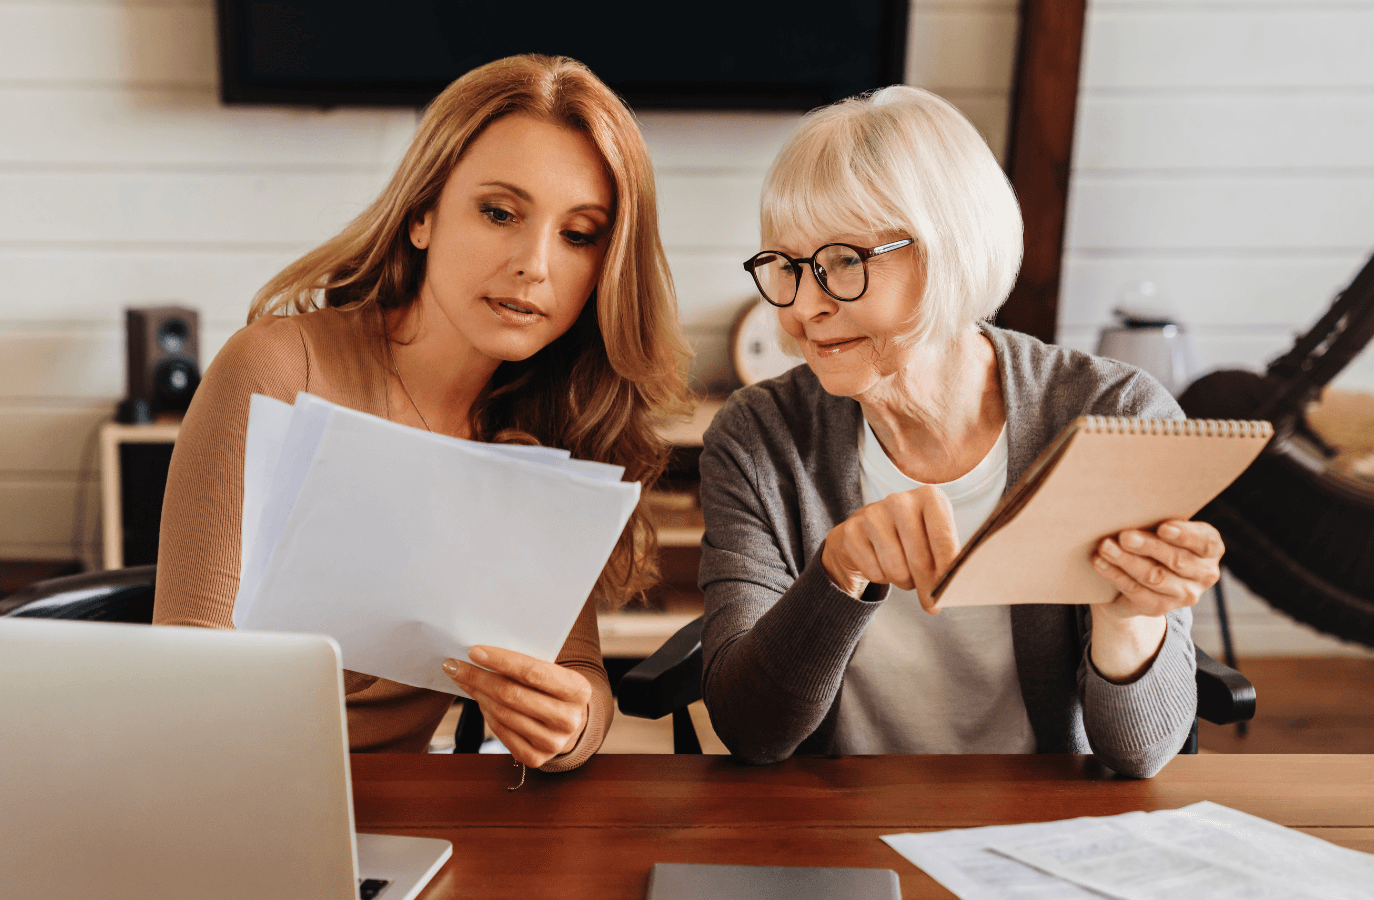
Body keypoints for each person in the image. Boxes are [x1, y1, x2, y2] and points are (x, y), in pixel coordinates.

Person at [155, 55, 689, 771]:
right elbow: (187, 678)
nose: (535, 264)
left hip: (401, 817)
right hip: (227, 795)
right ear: (421, 216)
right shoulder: (280, 368)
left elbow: (583, 676)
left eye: (579, 234)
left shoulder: (549, 419)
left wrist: (566, 724)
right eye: (500, 213)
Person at [698, 86, 1219, 778]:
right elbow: (751, 731)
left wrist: (1128, 618)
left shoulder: (1115, 416)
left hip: (1041, 829)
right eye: (787, 267)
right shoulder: (760, 436)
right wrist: (838, 572)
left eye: (845, 262)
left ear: (947, 249)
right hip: (836, 826)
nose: (805, 306)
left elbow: (1139, 756)